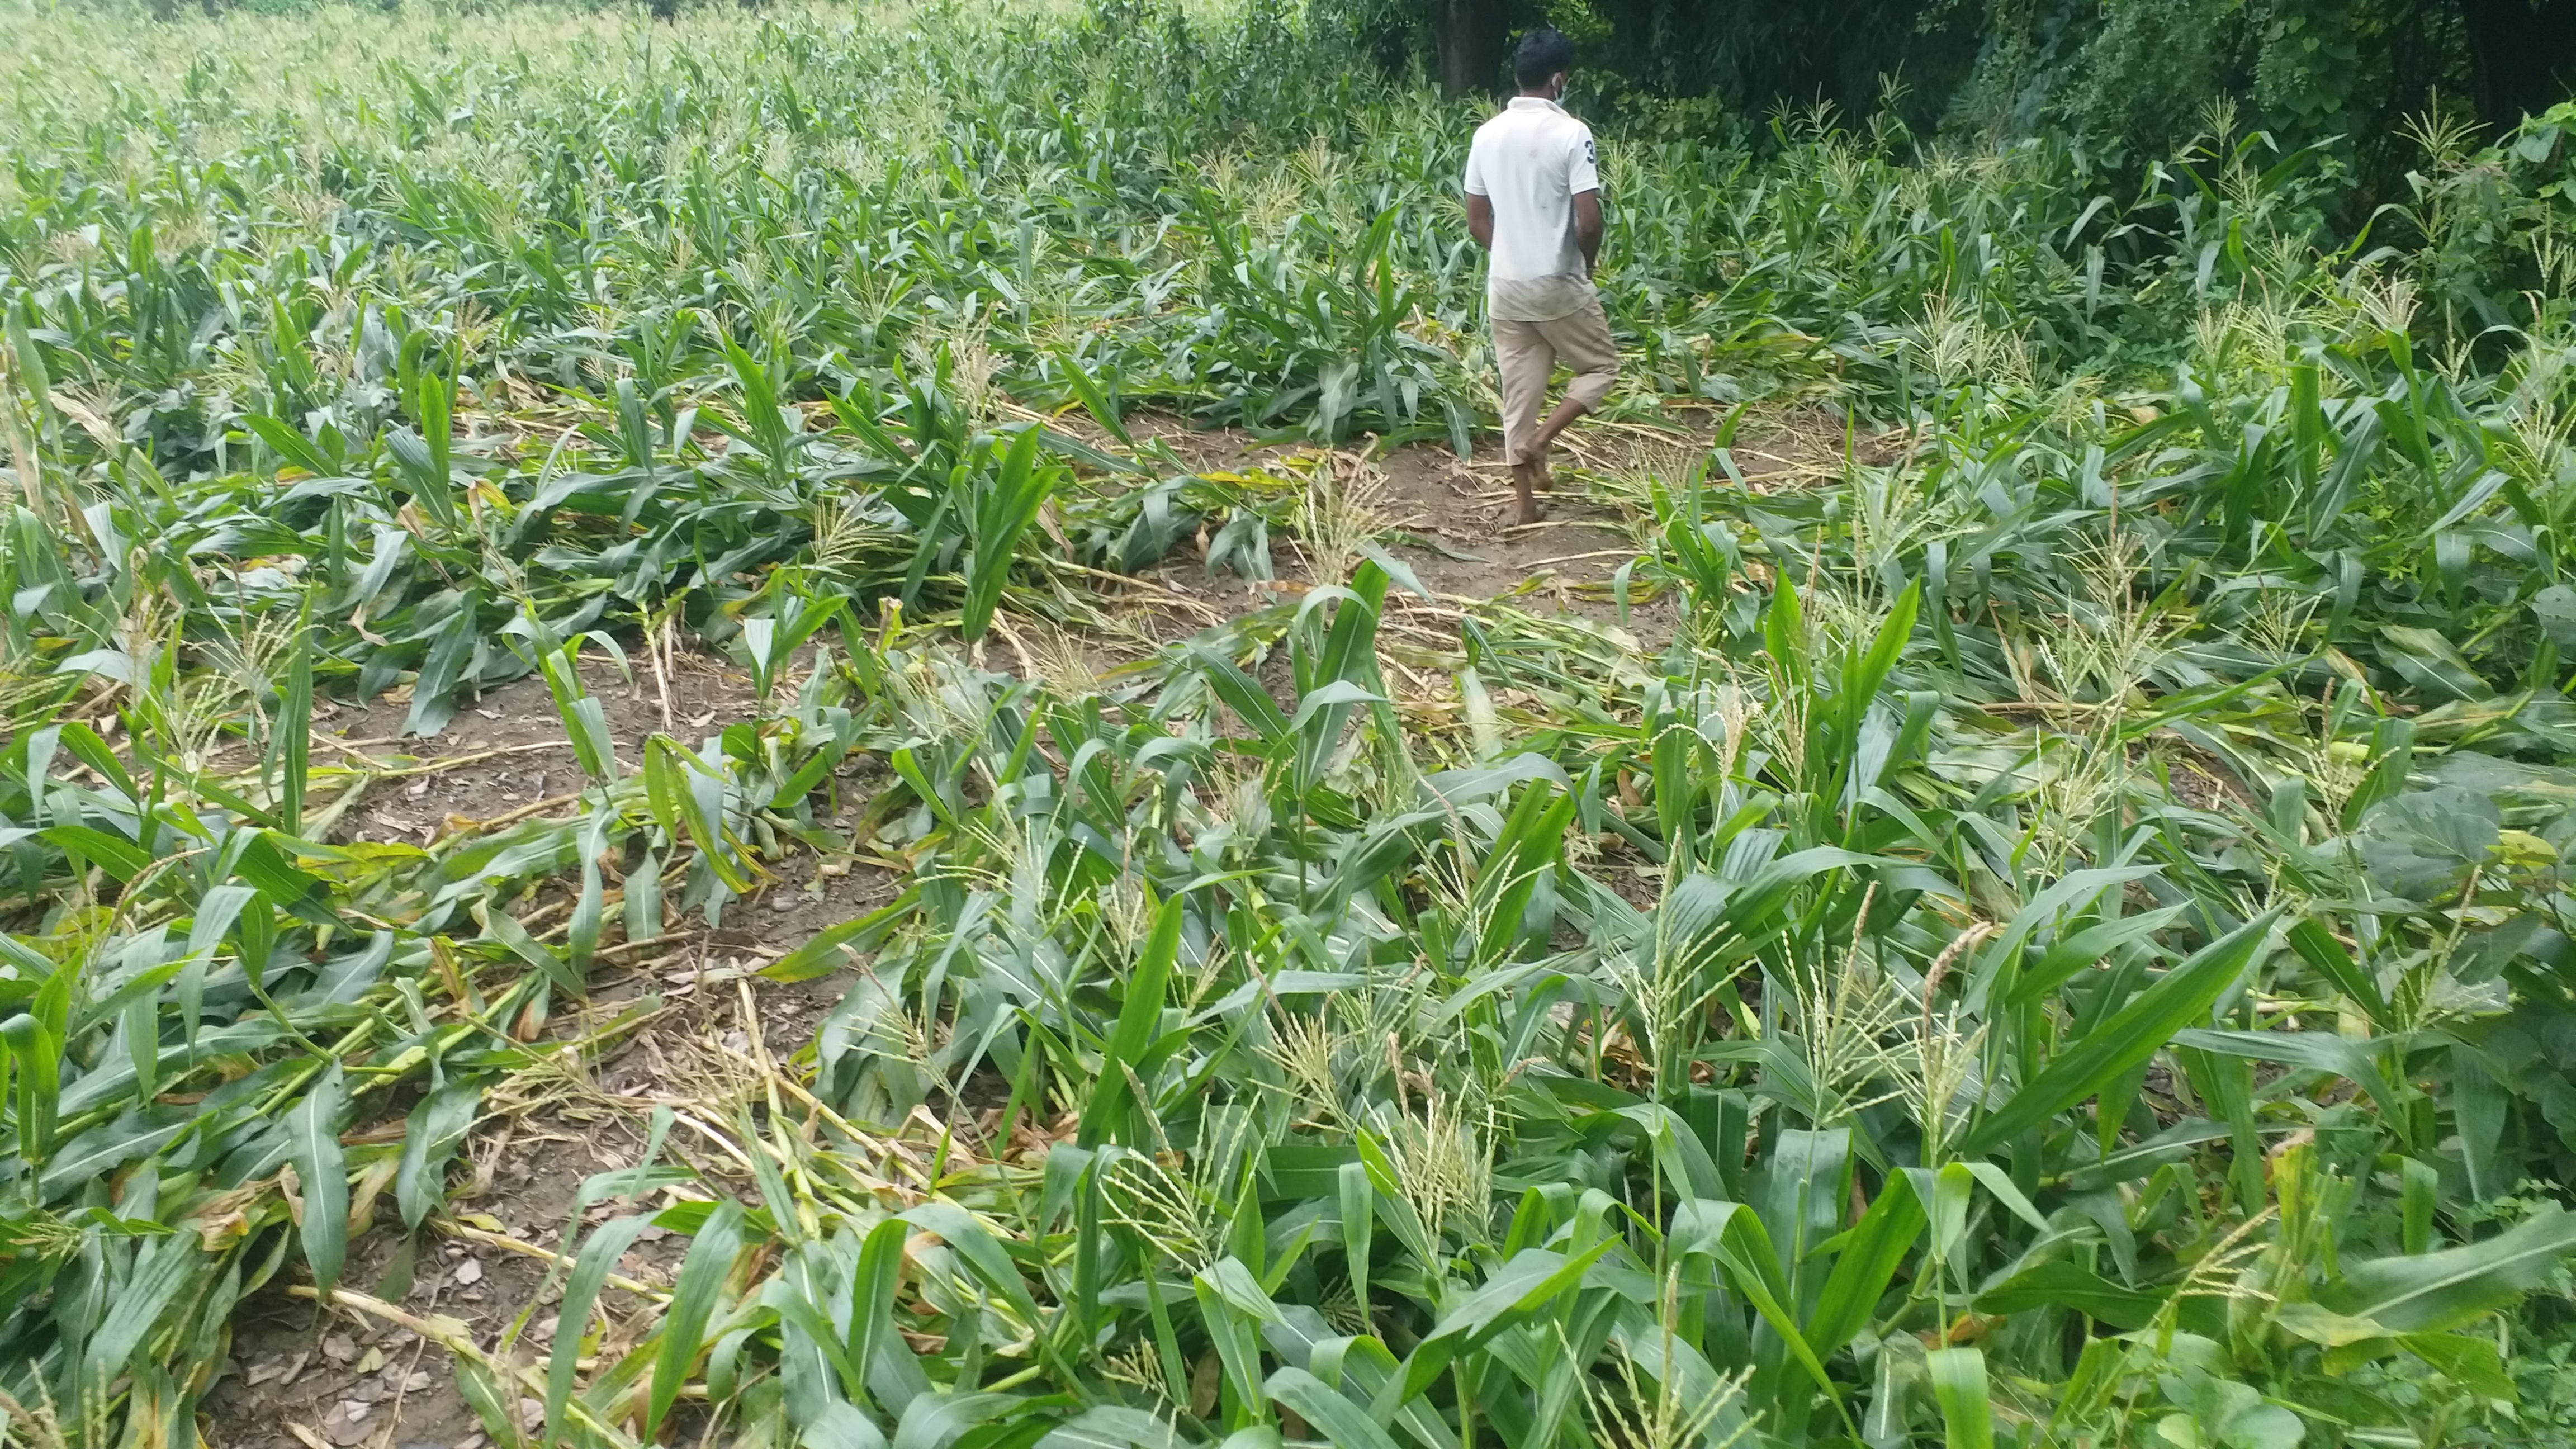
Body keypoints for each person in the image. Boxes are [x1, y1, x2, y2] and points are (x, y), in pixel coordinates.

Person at [1462, 26, 1615, 525]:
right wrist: (1585, 266)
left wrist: (1511, 250)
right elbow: (1588, 219)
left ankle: (1525, 506)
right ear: (1557, 79)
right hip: (1557, 282)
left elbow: (1477, 221)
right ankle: (1542, 441)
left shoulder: (1486, 136)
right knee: (1599, 368)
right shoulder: (1572, 133)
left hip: (1505, 286)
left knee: (1518, 395)